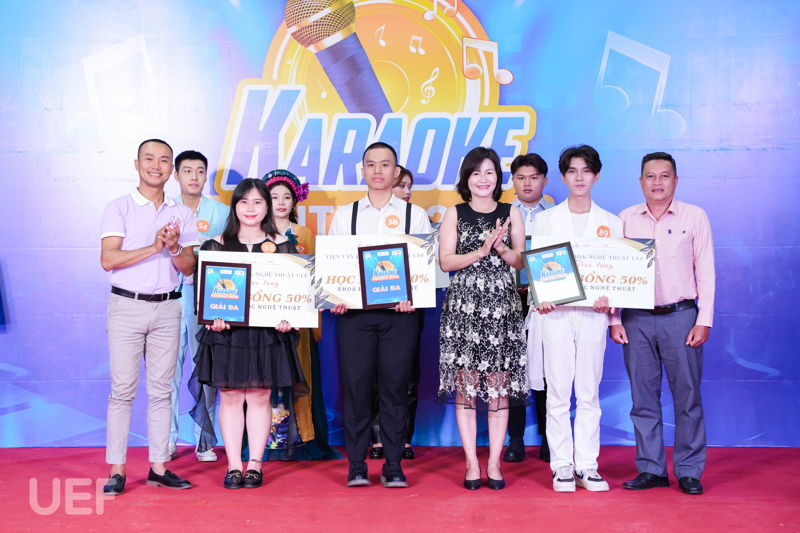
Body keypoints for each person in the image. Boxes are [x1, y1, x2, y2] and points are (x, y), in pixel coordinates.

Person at [189, 178, 308, 489]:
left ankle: (255, 464)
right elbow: (204, 297)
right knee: (229, 396)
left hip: (266, 334)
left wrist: (289, 318)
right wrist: (210, 318)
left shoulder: (283, 246)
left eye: (257, 202)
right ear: (235, 206)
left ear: (267, 207)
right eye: (244, 202)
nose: (250, 208)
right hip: (228, 335)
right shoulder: (215, 246)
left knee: (260, 396)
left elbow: (295, 295)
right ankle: (233, 465)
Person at [328, 142, 432, 488]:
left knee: (395, 388)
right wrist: (336, 297)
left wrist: (413, 296)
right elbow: (334, 267)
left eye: (385, 164)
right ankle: (357, 464)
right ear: (362, 171)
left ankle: (393, 463)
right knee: (356, 387)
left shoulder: (414, 215)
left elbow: (423, 266)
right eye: (371, 164)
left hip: (400, 316)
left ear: (396, 172)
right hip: (355, 317)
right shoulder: (346, 215)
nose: (377, 170)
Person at [610, 152, 714, 496]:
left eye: (664, 176)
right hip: (636, 318)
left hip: (681, 317)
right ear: (641, 181)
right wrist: (614, 319)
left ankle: (689, 470)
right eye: (650, 176)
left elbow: (706, 270)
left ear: (676, 180)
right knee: (642, 398)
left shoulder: (694, 216)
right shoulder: (625, 219)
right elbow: (612, 273)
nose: (657, 182)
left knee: (688, 396)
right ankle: (651, 468)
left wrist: (704, 319)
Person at [99, 139, 199, 495]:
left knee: (162, 390)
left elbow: (188, 267)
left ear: (171, 170)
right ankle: (117, 470)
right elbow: (109, 259)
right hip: (126, 306)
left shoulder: (182, 212)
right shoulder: (119, 207)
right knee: (122, 391)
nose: (156, 165)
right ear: (137, 164)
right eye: (149, 159)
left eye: (164, 160)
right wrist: (154, 247)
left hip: (168, 308)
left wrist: (173, 247)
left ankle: (159, 466)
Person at [532, 144, 621, 493]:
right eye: (572, 171)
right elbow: (537, 269)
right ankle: (562, 466)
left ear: (596, 176)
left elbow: (618, 276)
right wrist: (541, 297)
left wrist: (610, 303)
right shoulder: (545, 221)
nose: (579, 177)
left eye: (586, 171)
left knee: (588, 393)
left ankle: (587, 464)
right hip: (555, 315)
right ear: (563, 176)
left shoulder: (612, 223)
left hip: (592, 316)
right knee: (557, 392)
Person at [438, 146, 528, 491]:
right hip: (464, 308)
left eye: (489, 172)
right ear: (467, 178)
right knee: (467, 387)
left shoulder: (510, 212)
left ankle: (494, 462)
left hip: (501, 307)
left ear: (497, 178)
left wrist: (502, 249)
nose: (483, 179)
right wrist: (480, 250)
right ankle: (472, 463)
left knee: (497, 388)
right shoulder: (455, 213)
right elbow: (446, 262)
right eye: (476, 173)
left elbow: (521, 262)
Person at [260, 168, 340, 460]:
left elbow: (316, 276)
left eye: (287, 197)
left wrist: (314, 316)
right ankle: (269, 440)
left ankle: (302, 438)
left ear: (295, 201)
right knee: (267, 378)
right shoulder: (256, 233)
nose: (281, 202)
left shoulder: (304, 233)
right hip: (265, 318)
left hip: (298, 319)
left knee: (300, 376)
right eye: (274, 197)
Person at [168, 150, 229, 462]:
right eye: (187, 170)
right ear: (176, 175)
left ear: (206, 176)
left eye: (200, 171)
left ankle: (203, 439)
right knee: (166, 371)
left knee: (204, 369)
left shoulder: (222, 212)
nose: (194, 176)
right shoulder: (163, 210)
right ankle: (166, 440)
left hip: (205, 300)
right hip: (166, 297)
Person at [504, 153, 554, 464]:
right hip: (511, 299)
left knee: (549, 370)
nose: (527, 183)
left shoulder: (557, 217)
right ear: (513, 181)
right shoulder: (503, 216)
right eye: (521, 177)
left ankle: (550, 438)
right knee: (514, 370)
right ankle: (516, 439)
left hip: (547, 301)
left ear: (544, 181)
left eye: (534, 177)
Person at [370, 165, 421, 461]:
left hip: (408, 308)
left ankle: (403, 437)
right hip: (370, 309)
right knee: (373, 375)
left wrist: (414, 295)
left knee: (406, 377)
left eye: (409, 186)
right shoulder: (365, 219)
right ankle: (377, 437)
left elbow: (428, 269)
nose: (406, 191)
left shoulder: (418, 220)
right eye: (402, 185)